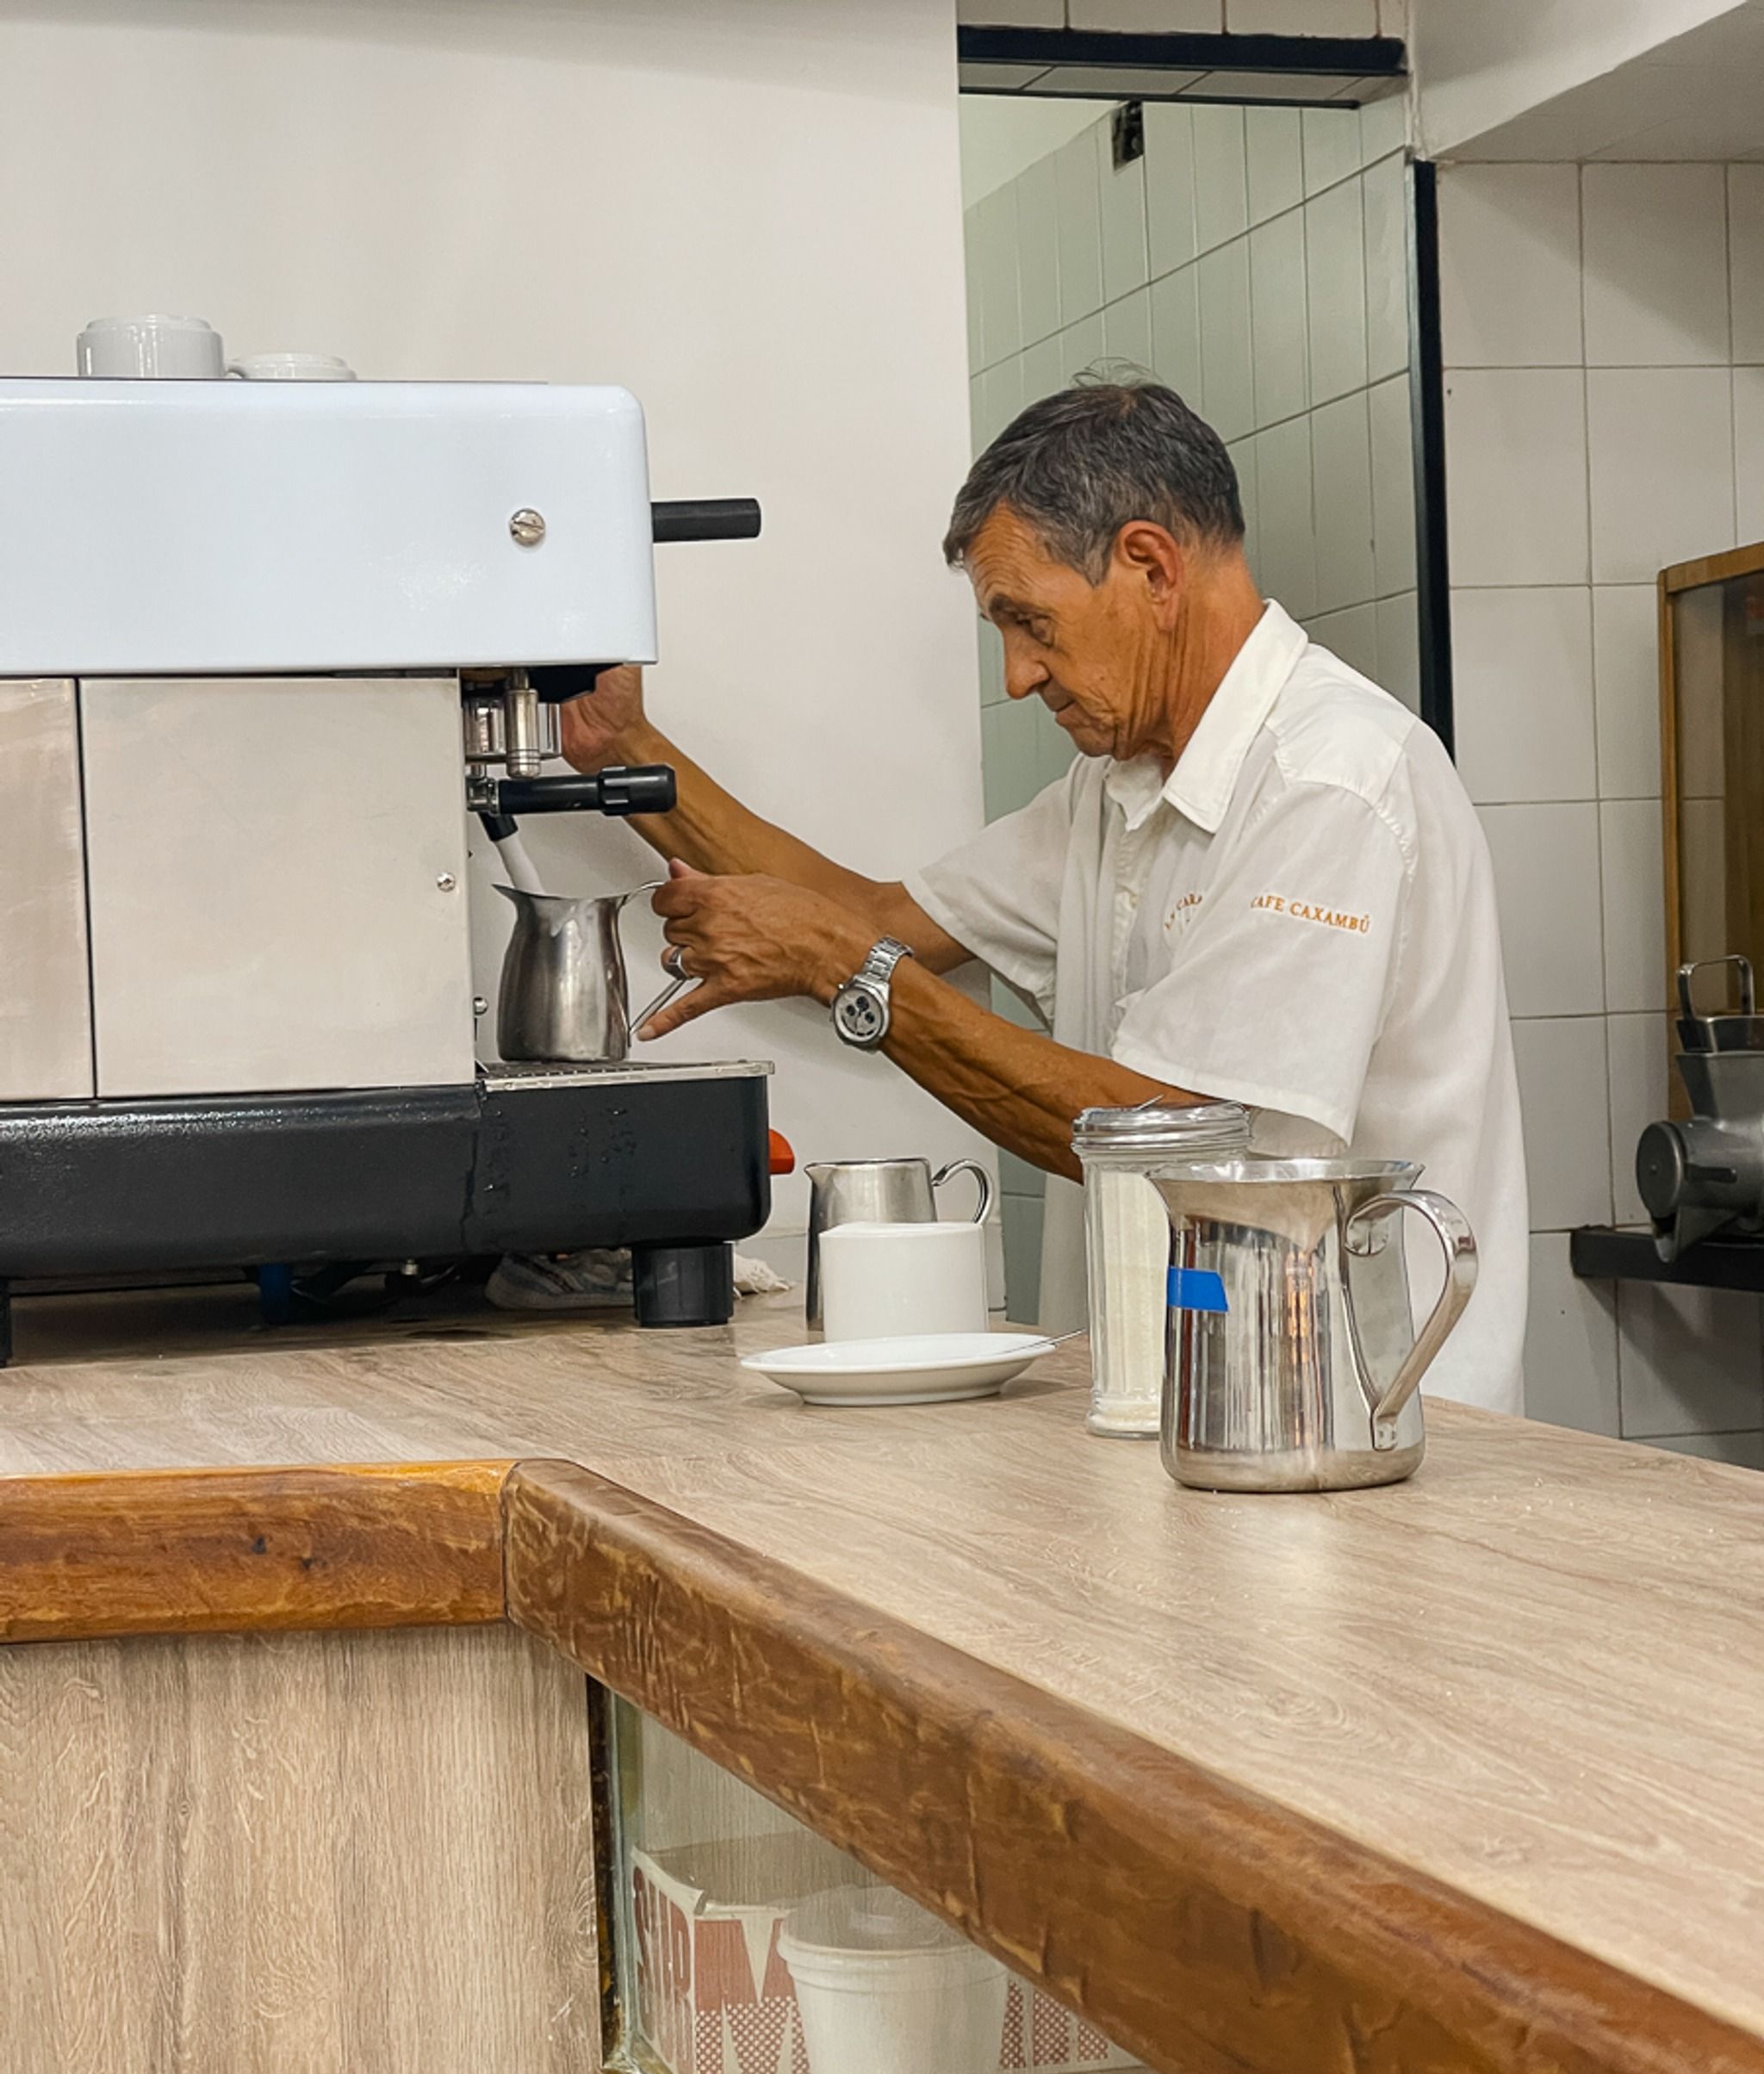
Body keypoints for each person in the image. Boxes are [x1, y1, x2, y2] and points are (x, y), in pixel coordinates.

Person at [550, 379, 1527, 1410]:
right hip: (1187, 1413)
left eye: (1029, 621)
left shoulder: (1329, 783)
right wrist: (621, 747)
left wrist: (843, 967)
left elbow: (1178, 1141)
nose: (1017, 675)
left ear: (1149, 566)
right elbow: (874, 920)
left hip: (1366, 1426)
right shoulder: (1115, 789)